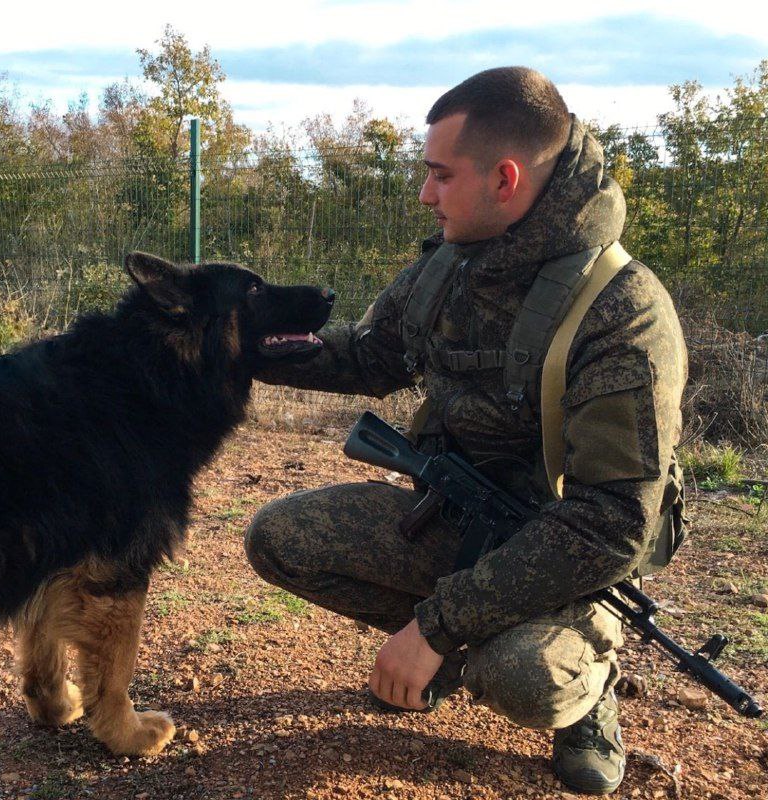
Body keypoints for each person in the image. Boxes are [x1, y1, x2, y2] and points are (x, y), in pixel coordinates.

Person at [244, 66, 687, 795]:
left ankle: (589, 683)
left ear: (505, 179)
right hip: (461, 521)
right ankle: (460, 653)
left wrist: (436, 626)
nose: (425, 194)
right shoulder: (452, 265)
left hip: (566, 555)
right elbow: (372, 354)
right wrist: (241, 349)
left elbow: (612, 523)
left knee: (523, 676)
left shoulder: (622, 312)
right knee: (280, 539)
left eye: (440, 176)